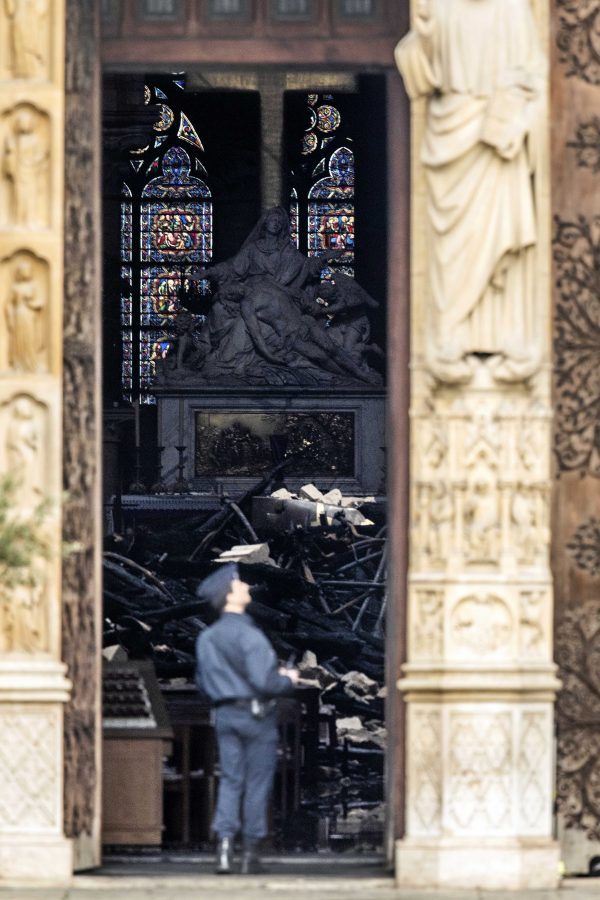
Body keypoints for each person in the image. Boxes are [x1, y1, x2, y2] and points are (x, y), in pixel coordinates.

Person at [195, 564, 299, 875]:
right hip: (256, 716)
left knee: (230, 779)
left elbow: (202, 683)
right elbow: (264, 682)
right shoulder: (251, 636)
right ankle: (250, 852)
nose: (246, 588)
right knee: (257, 783)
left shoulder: (207, 639)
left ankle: (224, 848)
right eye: (240, 585)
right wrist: (288, 680)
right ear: (230, 596)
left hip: (225, 714)